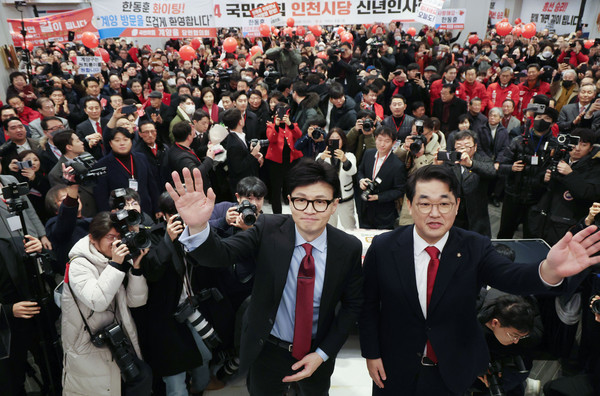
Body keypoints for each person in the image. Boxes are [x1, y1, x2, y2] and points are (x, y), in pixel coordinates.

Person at [359, 164, 600, 396]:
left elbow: (511, 277)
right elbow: (369, 305)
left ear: (457, 206)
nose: (435, 213)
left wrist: (549, 269)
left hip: (451, 369)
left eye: (444, 203)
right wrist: (371, 353)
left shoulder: (474, 246)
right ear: (410, 205)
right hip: (394, 367)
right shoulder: (384, 247)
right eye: (425, 203)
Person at [165, 159, 363, 395]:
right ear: (289, 201)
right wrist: (198, 227)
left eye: (320, 201)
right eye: (301, 200)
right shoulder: (268, 228)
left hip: (317, 352)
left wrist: (322, 354)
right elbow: (222, 254)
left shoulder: (347, 247)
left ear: (334, 205)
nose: (309, 210)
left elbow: (352, 306)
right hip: (267, 349)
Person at [60, 212, 152, 396]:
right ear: (93, 239)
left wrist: (135, 268)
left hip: (115, 342)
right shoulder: (79, 264)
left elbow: (136, 301)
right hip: (88, 347)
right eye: (111, 237)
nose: (117, 243)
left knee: (142, 377)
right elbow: (98, 301)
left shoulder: (112, 259)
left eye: (119, 237)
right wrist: (116, 266)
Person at [497, 106, 559, 239]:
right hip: (513, 194)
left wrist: (550, 177)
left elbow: (558, 174)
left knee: (531, 236)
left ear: (553, 123)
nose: (541, 120)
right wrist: (511, 168)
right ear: (533, 119)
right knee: (505, 232)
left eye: (546, 118)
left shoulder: (555, 145)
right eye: (539, 117)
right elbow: (501, 167)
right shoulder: (518, 140)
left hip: (536, 198)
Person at [433, 130, 496, 237]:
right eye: (459, 146)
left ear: (475, 147)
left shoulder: (484, 160)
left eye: (467, 146)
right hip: (454, 214)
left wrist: (470, 164)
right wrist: (437, 166)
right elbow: (437, 182)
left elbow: (492, 172)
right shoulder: (449, 162)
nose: (463, 149)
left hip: (476, 213)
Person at [93, 127, 160, 216]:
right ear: (111, 143)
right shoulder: (102, 165)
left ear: (131, 141)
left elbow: (151, 185)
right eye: (117, 140)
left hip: (146, 210)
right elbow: (101, 197)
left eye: (125, 139)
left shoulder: (141, 158)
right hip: (121, 214)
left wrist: (157, 208)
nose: (122, 143)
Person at [358, 126, 407, 229]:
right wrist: (361, 180)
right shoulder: (368, 154)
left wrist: (379, 197)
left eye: (387, 141)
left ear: (394, 143)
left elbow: (399, 190)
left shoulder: (397, 165)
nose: (382, 144)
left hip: (384, 214)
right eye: (379, 140)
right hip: (364, 209)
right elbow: (360, 170)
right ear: (375, 138)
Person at [316, 128, 357, 230]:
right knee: (328, 227)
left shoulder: (349, 155)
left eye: (338, 139)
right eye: (332, 139)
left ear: (343, 140)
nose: (335, 141)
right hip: (328, 199)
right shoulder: (322, 155)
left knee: (350, 227)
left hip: (346, 199)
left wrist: (344, 160)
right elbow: (314, 172)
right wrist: (322, 159)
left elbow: (352, 171)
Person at [265, 104, 303, 214]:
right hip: (275, 162)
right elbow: (272, 138)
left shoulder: (292, 125)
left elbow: (299, 135)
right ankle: (277, 215)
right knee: (276, 189)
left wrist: (290, 124)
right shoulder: (271, 126)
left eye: (285, 113)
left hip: (291, 161)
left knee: (292, 187)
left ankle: (295, 212)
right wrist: (276, 126)